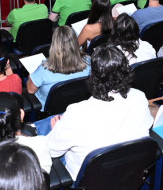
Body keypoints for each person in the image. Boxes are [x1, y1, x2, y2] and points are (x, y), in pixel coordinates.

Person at [45, 45, 153, 179]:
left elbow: (50, 150)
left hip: (86, 182)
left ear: (93, 76)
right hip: (128, 173)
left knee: (44, 128)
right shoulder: (140, 97)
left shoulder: (77, 112)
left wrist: (58, 130)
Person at [27, 26, 90, 109]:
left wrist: (30, 76)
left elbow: (30, 90)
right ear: (75, 43)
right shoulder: (88, 62)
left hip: (49, 111)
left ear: (54, 45)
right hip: (77, 106)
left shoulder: (44, 69)